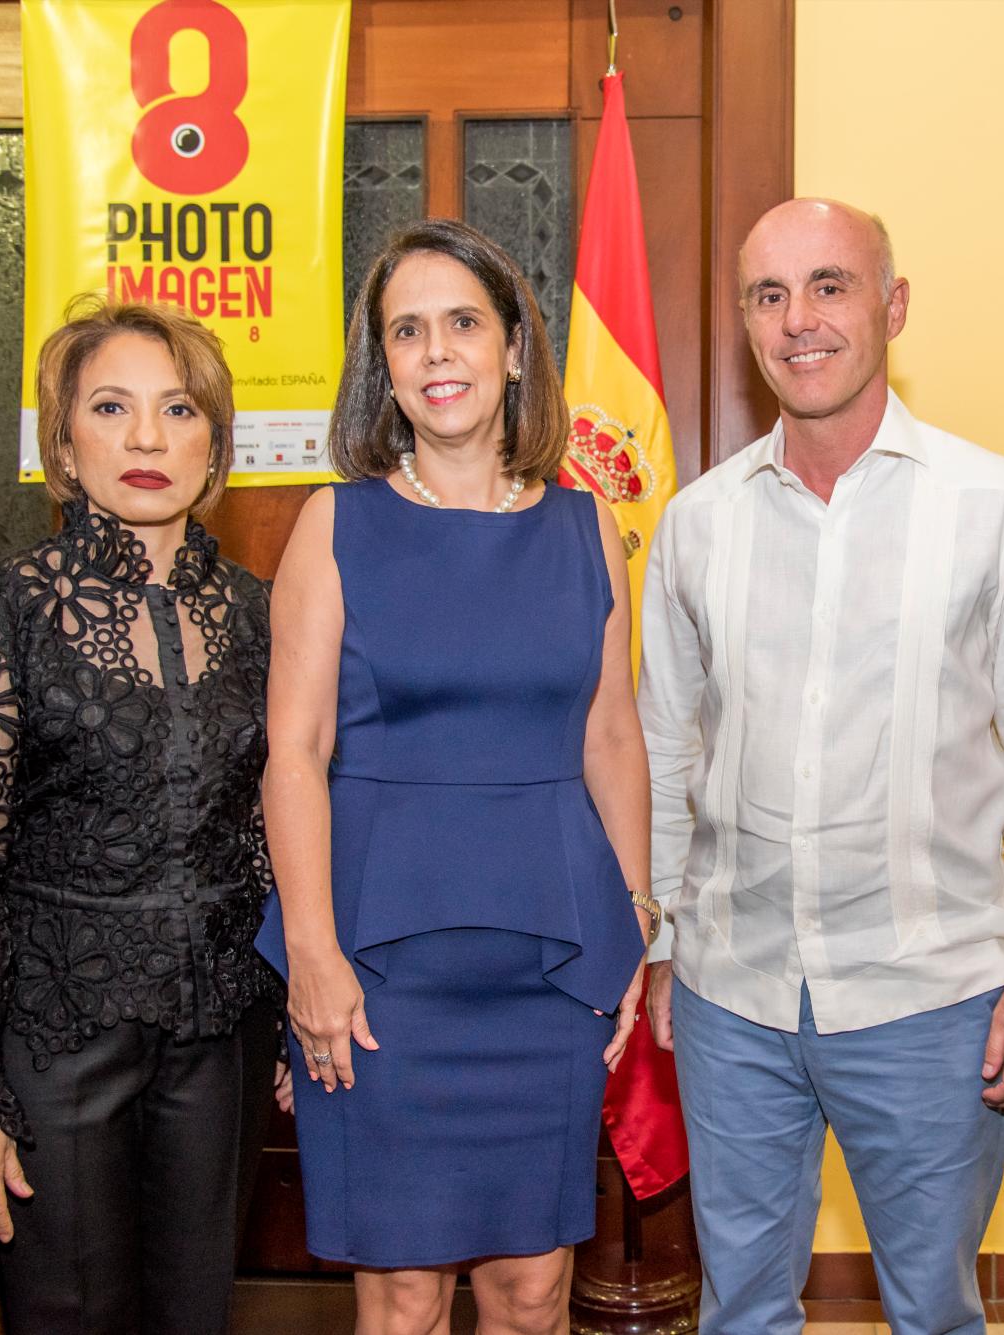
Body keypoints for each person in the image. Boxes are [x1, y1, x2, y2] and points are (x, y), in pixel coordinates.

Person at [637, 198, 1004, 1335]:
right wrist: (659, 943)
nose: (799, 321)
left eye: (828, 286)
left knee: (931, 1311)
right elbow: (660, 746)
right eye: (768, 295)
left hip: (932, 994)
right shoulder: (696, 525)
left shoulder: (997, 509)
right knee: (737, 1307)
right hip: (731, 993)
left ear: (890, 307)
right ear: (744, 321)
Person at [256, 217, 652, 1335]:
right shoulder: (336, 524)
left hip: (550, 966)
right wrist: (314, 957)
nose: (437, 353)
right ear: (381, 367)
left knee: (534, 1295)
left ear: (515, 347)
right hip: (379, 980)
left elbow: (611, 738)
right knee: (402, 1296)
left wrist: (633, 927)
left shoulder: (592, 531)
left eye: (463, 324)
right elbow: (293, 754)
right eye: (407, 332)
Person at [0, 299, 282, 1333]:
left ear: (215, 443)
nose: (148, 438)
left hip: (223, 1031)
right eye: (112, 408)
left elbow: (276, 825)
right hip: (55, 1035)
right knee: (67, 1315)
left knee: (195, 1314)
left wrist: (295, 1006)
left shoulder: (264, 613)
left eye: (179, 409)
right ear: (63, 442)